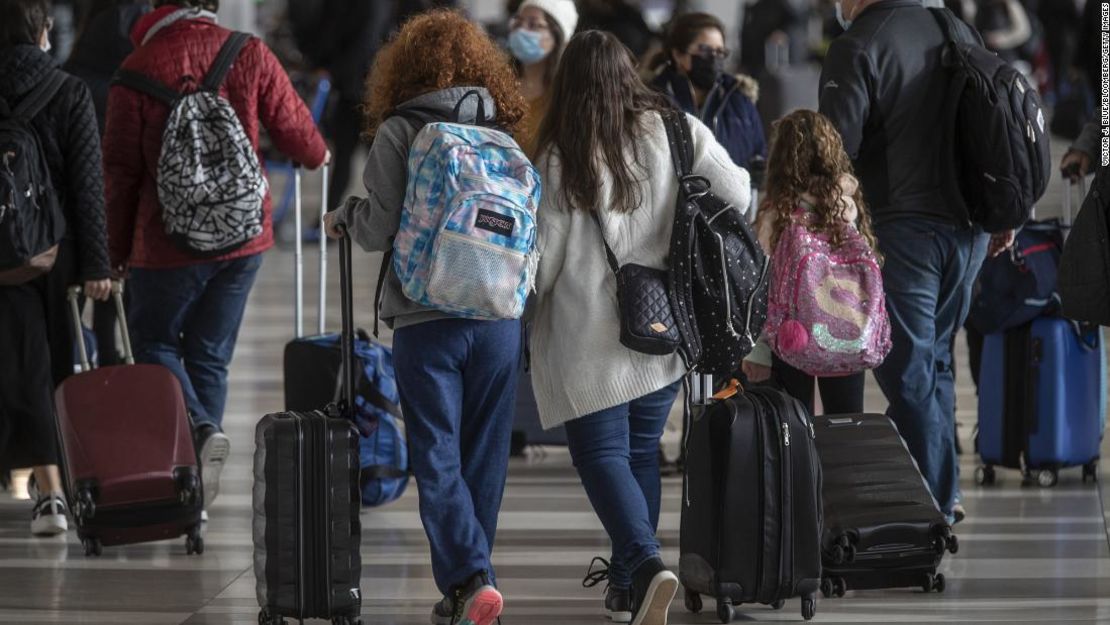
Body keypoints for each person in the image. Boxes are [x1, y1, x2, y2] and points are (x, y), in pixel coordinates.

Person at [529, 30, 751, 625]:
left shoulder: (558, 155)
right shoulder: (677, 131)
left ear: (567, 84)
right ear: (629, 74)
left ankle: (647, 565)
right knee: (638, 454)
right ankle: (629, 589)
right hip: (663, 325)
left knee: (601, 455)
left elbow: (542, 264)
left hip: (586, 337)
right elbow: (739, 193)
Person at [322, 11, 525, 625]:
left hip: (425, 314)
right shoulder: (503, 130)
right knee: (483, 455)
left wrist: (345, 217)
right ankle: (471, 580)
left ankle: (469, 578)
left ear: (400, 68)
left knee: (435, 452)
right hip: (498, 316)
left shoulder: (398, 131)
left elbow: (378, 227)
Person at [103, 0, 328, 516]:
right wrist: (321, 155)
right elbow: (299, 133)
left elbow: (120, 177)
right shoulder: (245, 51)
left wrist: (113, 255)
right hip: (242, 237)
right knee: (208, 355)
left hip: (166, 244)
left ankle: (200, 434)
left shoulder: (134, 71)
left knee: (152, 341)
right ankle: (199, 487)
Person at [819, 0, 1015, 525]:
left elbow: (833, 155)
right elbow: (995, 120)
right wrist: (1004, 210)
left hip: (903, 230)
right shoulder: (956, 26)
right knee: (934, 363)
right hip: (969, 227)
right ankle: (943, 495)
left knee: (906, 372)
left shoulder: (858, 43)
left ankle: (927, 507)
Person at [0, 0, 112, 535]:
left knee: (17, 366)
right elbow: (88, 190)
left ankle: (39, 489)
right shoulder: (70, 92)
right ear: (42, 32)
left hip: (0, 259)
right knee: (57, 370)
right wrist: (98, 265)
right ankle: (55, 494)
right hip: (56, 258)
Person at [741, 110, 873, 415]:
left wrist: (758, 350)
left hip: (791, 335)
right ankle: (840, 464)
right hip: (845, 332)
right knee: (847, 422)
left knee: (792, 429)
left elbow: (763, 287)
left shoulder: (779, 214)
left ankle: (803, 465)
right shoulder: (846, 207)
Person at [63, 0, 149, 366]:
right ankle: (109, 351)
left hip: (74, 195)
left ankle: (86, 350)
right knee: (116, 259)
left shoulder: (99, 14)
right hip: (116, 169)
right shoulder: (130, 17)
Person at [649, 11, 767, 170]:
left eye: (719, 52)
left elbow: (759, 159)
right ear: (678, 55)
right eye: (705, 50)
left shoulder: (741, 102)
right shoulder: (652, 101)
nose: (714, 58)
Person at [507, 0, 577, 155]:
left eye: (533, 25)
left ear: (559, 36)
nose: (521, 30)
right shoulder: (499, 83)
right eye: (518, 22)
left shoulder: (565, 95)